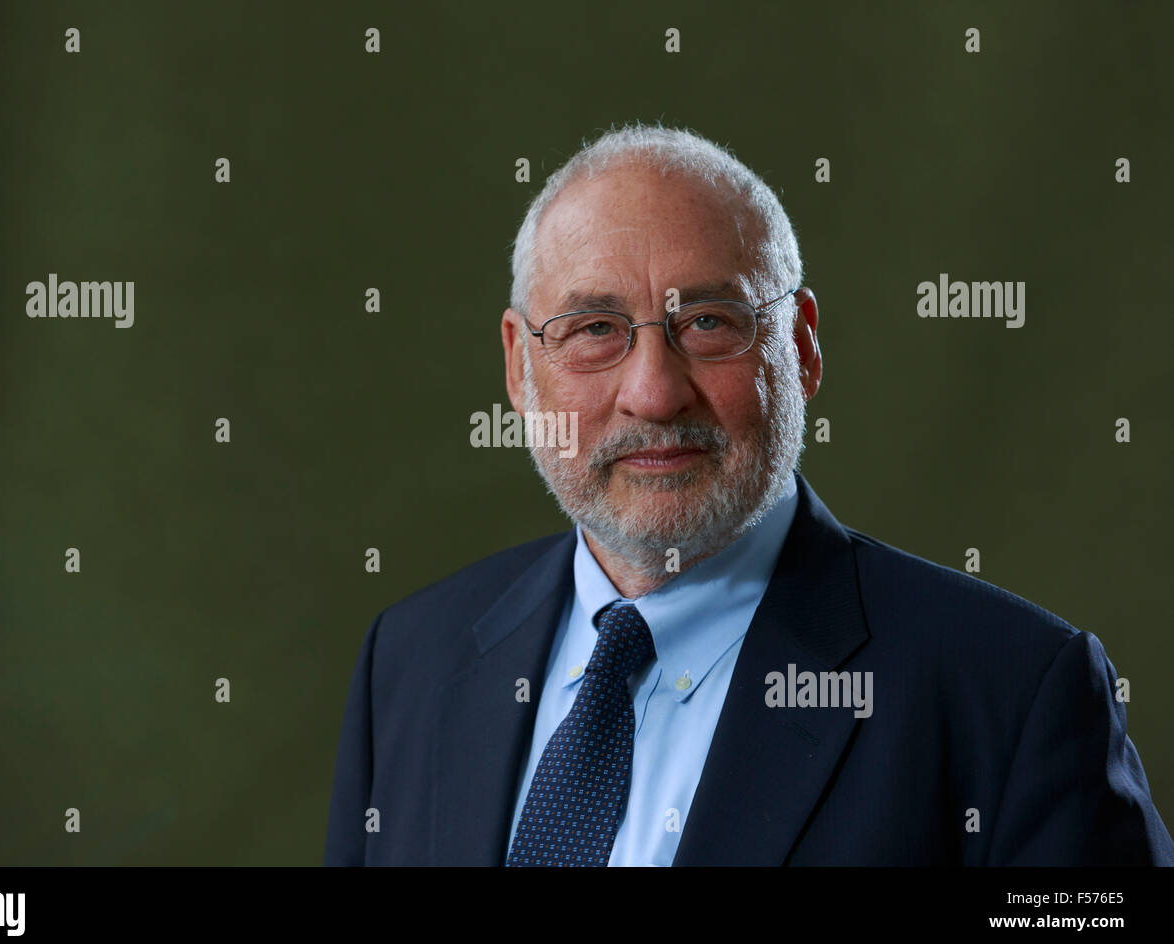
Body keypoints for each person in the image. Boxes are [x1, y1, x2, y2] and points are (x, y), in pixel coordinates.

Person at [324, 123, 1173, 866]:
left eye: (709, 323)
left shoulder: (1012, 694)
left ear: (800, 349)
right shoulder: (411, 663)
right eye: (594, 330)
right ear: (519, 366)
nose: (655, 394)